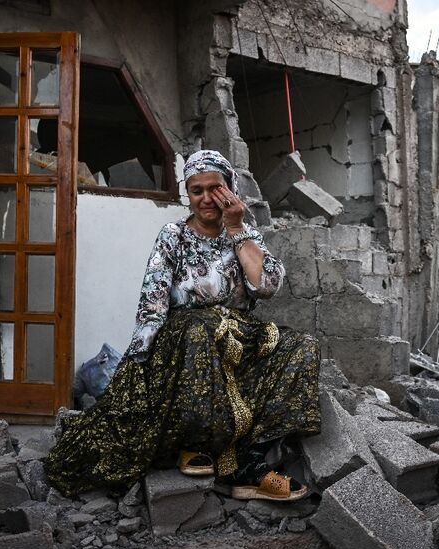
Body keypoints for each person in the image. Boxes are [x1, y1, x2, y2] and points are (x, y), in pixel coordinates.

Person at [45, 150, 321, 501]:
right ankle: (197, 442)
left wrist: (236, 229)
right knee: (200, 326)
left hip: (237, 333)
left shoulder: (246, 233)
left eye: (215, 189)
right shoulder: (172, 236)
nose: (206, 198)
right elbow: (153, 304)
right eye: (197, 190)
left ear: (231, 190)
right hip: (185, 340)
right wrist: (137, 360)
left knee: (301, 345)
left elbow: (266, 287)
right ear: (187, 195)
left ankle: (250, 463)